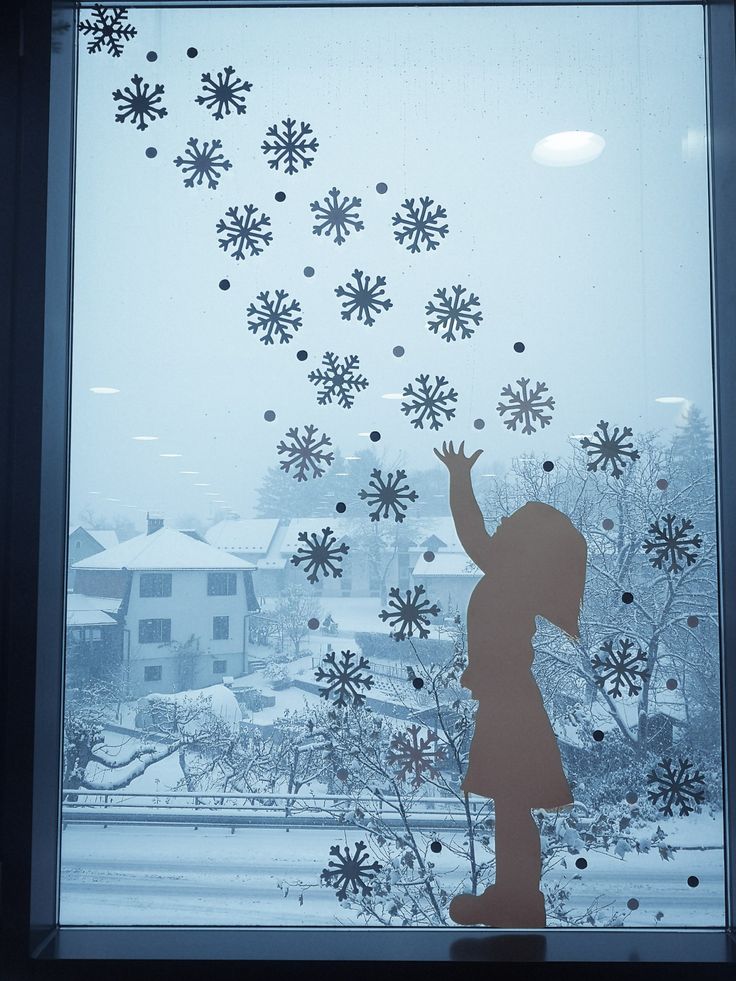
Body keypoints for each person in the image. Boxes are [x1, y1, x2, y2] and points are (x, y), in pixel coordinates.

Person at [434, 440, 587, 928]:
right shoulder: (510, 574)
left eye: (510, 525)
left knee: (512, 800)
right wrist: (460, 478)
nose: (499, 527)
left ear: (523, 547)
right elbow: (475, 530)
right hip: (507, 701)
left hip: (509, 704)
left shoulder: (511, 577)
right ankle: (514, 894)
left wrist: (461, 479)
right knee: (511, 801)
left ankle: (516, 897)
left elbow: (473, 532)